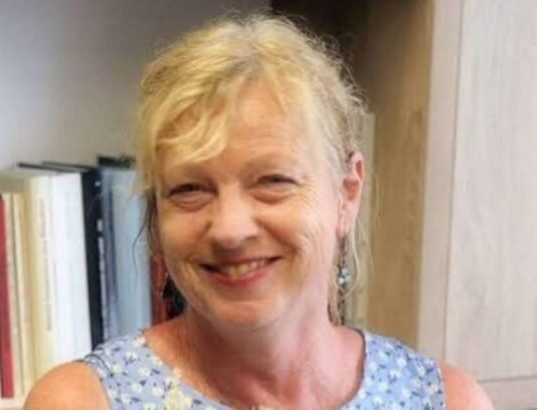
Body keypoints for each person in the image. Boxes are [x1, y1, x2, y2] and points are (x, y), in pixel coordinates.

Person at [25, 14, 492, 409]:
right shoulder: (81, 401)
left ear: (347, 193)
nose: (229, 229)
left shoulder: (447, 401)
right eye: (190, 189)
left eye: (272, 181)